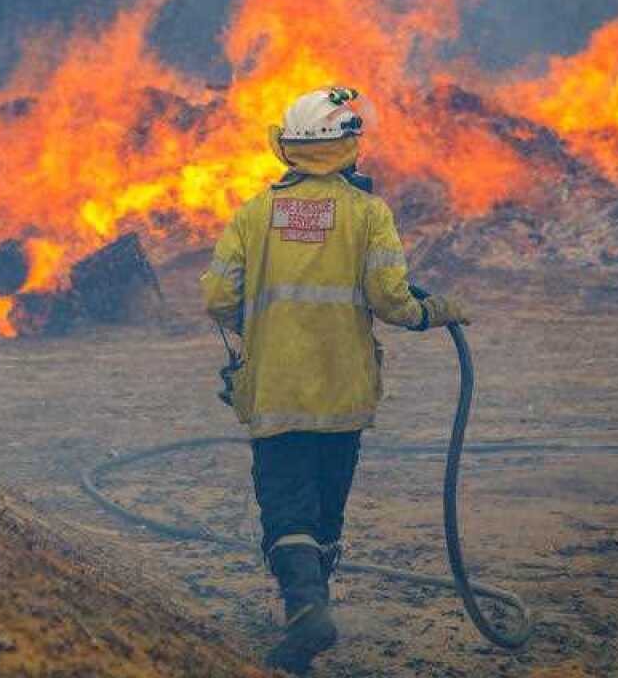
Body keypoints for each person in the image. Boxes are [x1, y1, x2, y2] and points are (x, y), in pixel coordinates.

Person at [200, 87, 469, 674]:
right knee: (324, 508)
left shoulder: (255, 213)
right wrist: (440, 311)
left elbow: (218, 296)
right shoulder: (368, 214)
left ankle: (306, 610)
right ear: (348, 145)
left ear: (289, 148)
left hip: (275, 391)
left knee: (285, 508)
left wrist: (257, 334)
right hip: (343, 396)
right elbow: (392, 301)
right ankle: (310, 611)